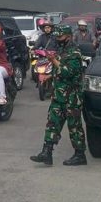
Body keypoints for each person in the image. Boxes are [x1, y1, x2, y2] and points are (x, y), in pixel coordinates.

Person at [30, 24, 87, 167]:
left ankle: (80, 155)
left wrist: (53, 60)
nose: (58, 39)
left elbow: (68, 73)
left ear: (68, 36)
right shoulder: (61, 50)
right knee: (52, 123)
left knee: (74, 126)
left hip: (72, 97)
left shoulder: (75, 53)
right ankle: (46, 153)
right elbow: (59, 72)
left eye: (60, 37)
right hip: (58, 96)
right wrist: (49, 77)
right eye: (57, 37)